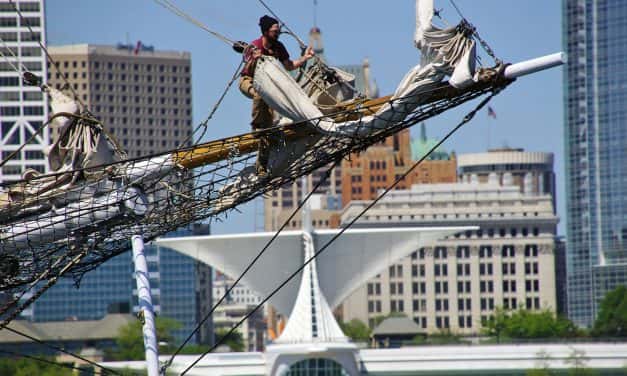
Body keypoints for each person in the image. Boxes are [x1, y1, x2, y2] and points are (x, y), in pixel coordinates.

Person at [239, 15, 315, 177]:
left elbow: (289, 66)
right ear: (266, 31)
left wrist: (304, 58)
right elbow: (249, 68)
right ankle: (256, 127)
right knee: (261, 95)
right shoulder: (256, 46)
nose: (278, 33)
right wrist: (255, 58)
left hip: (268, 87)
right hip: (249, 82)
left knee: (269, 126)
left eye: (278, 30)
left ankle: (262, 165)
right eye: (275, 31)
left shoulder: (279, 47)